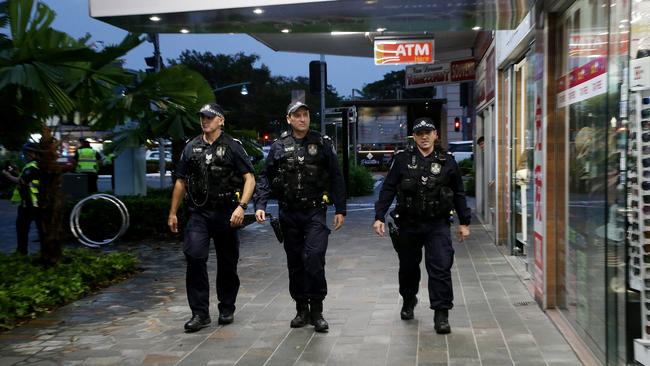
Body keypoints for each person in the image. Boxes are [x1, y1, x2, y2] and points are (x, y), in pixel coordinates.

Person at [254, 101, 346, 333]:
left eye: (305, 115)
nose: (302, 119)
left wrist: (341, 209)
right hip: (289, 213)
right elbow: (265, 177)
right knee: (295, 263)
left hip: (315, 211)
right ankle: (301, 309)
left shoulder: (322, 143)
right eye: (298, 115)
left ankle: (317, 310)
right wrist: (261, 204)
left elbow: (336, 176)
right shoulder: (278, 147)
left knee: (314, 257)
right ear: (289, 119)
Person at [373, 117, 471, 334]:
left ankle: (441, 313)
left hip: (437, 224)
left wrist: (464, 222)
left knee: (440, 267)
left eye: (428, 132)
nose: (424, 137)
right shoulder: (402, 160)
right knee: (408, 267)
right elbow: (388, 188)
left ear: (436, 134)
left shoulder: (447, 160)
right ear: (414, 137)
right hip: (408, 223)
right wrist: (379, 216)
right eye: (420, 133)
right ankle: (409, 300)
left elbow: (459, 193)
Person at [167, 102, 255, 333]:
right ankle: (199, 313)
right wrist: (173, 212)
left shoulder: (233, 147)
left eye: (210, 117)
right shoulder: (191, 147)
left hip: (227, 213)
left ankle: (227, 307)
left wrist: (241, 207)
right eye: (202, 117)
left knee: (228, 263)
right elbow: (180, 181)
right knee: (194, 256)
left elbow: (250, 178)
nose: (205, 120)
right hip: (199, 213)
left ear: (221, 120)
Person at [2, 142, 44, 255]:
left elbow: (21, 181)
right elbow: (26, 178)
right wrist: (16, 172)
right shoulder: (36, 166)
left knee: (22, 229)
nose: (24, 155)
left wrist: (7, 175)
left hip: (29, 204)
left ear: (32, 153)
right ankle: (42, 252)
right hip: (37, 204)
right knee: (41, 230)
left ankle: (21, 253)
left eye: (26, 153)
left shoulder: (31, 167)